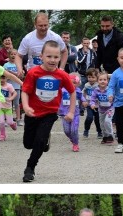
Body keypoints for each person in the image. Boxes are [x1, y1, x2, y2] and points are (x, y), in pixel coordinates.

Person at [21, 40, 75, 182]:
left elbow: (72, 91)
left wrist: (71, 111)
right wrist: (26, 107)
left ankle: (30, 168)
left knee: (39, 140)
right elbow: (25, 91)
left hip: (49, 113)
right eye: (49, 56)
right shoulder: (34, 73)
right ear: (41, 56)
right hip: (32, 113)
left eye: (56, 57)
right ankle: (44, 141)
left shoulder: (62, 75)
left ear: (60, 58)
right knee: (28, 143)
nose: (52, 60)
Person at [15, 12, 68, 78]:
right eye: (40, 25)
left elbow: (64, 51)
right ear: (35, 25)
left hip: (52, 74)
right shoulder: (28, 38)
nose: (43, 28)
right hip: (33, 74)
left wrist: (61, 69)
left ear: (48, 24)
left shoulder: (55, 37)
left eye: (45, 25)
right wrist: (19, 69)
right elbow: (19, 56)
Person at [59, 73, 85, 152]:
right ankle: (72, 139)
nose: (71, 84)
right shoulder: (63, 90)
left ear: (78, 83)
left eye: (74, 82)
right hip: (64, 113)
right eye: (69, 82)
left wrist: (84, 101)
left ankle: (75, 144)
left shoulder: (78, 91)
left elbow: (81, 97)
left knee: (74, 130)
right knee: (67, 130)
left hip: (75, 113)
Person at [89, 71, 115, 144]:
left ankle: (110, 136)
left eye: (104, 80)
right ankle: (105, 136)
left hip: (110, 109)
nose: (102, 81)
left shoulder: (110, 90)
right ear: (97, 81)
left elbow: (115, 98)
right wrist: (92, 104)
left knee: (107, 121)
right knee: (102, 124)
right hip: (101, 110)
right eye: (100, 80)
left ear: (108, 81)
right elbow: (92, 99)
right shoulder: (96, 90)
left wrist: (112, 98)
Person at [82, 68, 101, 138]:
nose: (91, 79)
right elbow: (83, 93)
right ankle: (86, 130)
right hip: (89, 105)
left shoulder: (99, 85)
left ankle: (99, 132)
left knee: (98, 119)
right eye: (89, 77)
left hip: (97, 106)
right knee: (89, 118)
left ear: (96, 78)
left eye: (93, 77)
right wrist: (84, 100)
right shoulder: (86, 85)